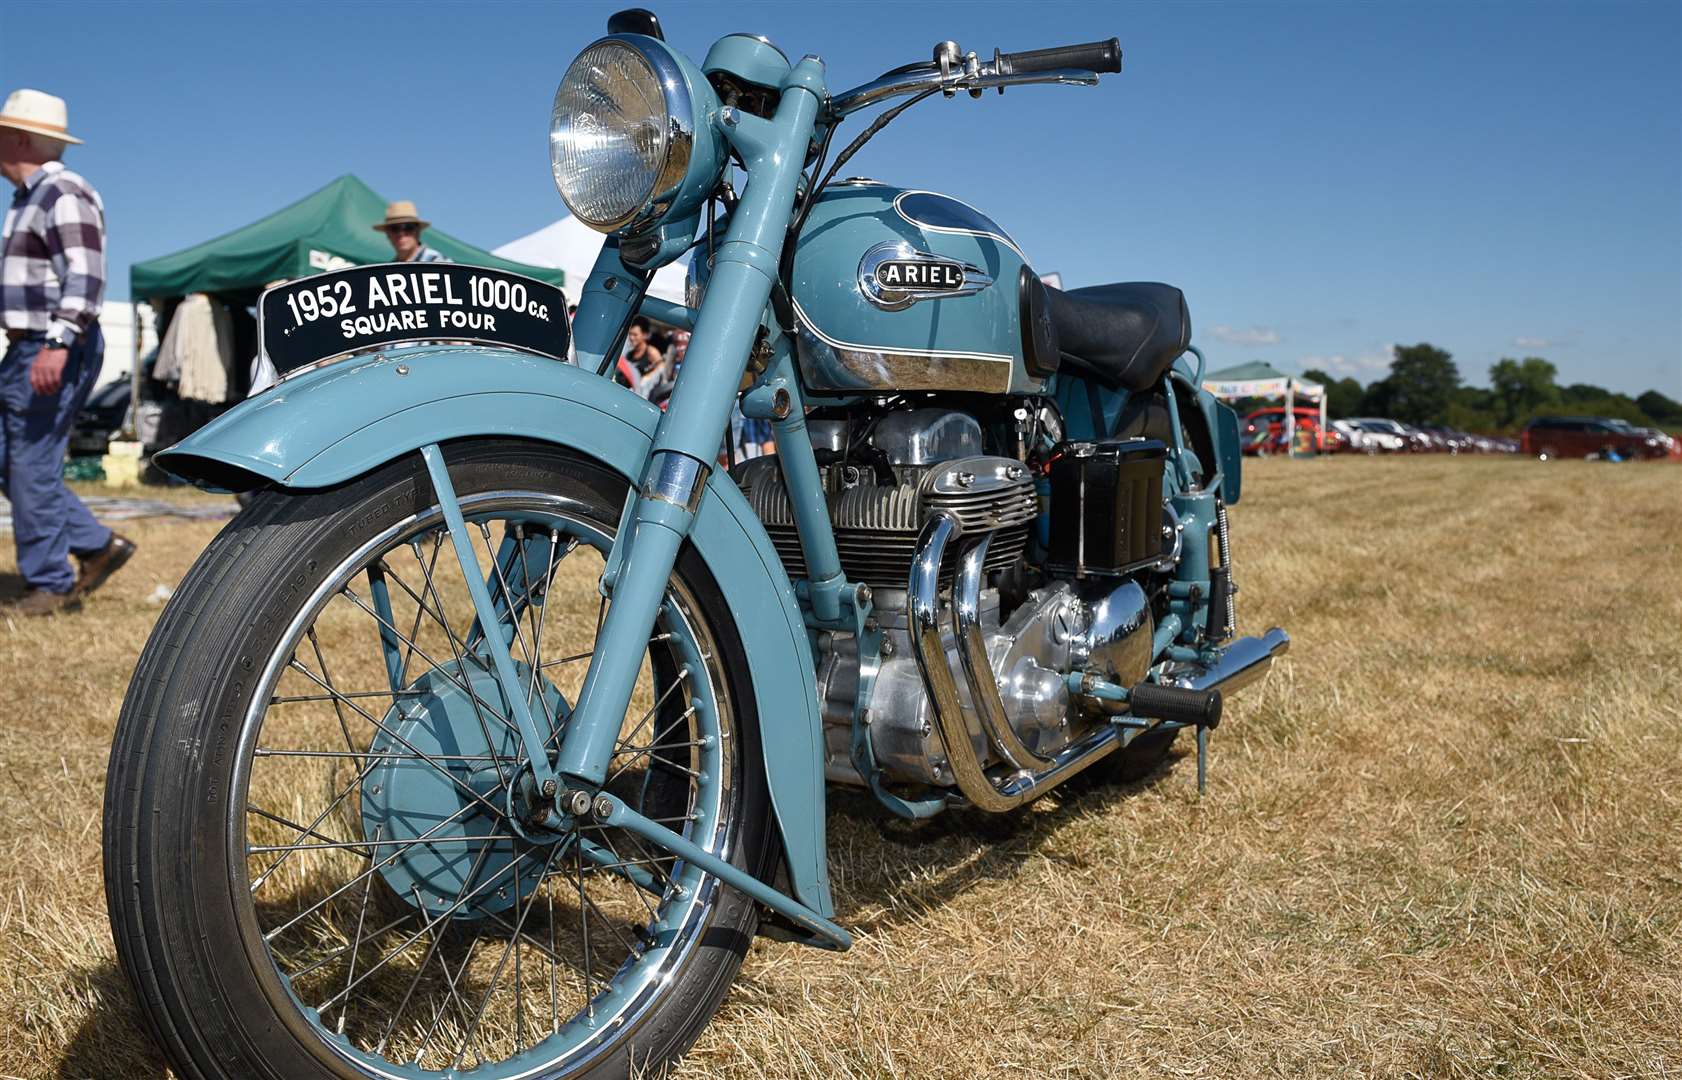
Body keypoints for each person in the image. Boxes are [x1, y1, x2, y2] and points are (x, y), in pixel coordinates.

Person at [0, 89, 134, 615]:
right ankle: (98, 547)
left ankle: (50, 584)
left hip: (51, 342)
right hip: (31, 344)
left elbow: (86, 273)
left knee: (30, 463)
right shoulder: (30, 196)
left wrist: (57, 340)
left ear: (21, 137)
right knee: (14, 461)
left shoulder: (61, 191)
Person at [372, 200, 448, 263]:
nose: (401, 233)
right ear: (387, 234)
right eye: (394, 228)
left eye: (408, 227)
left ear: (418, 231)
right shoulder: (388, 269)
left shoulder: (436, 261)